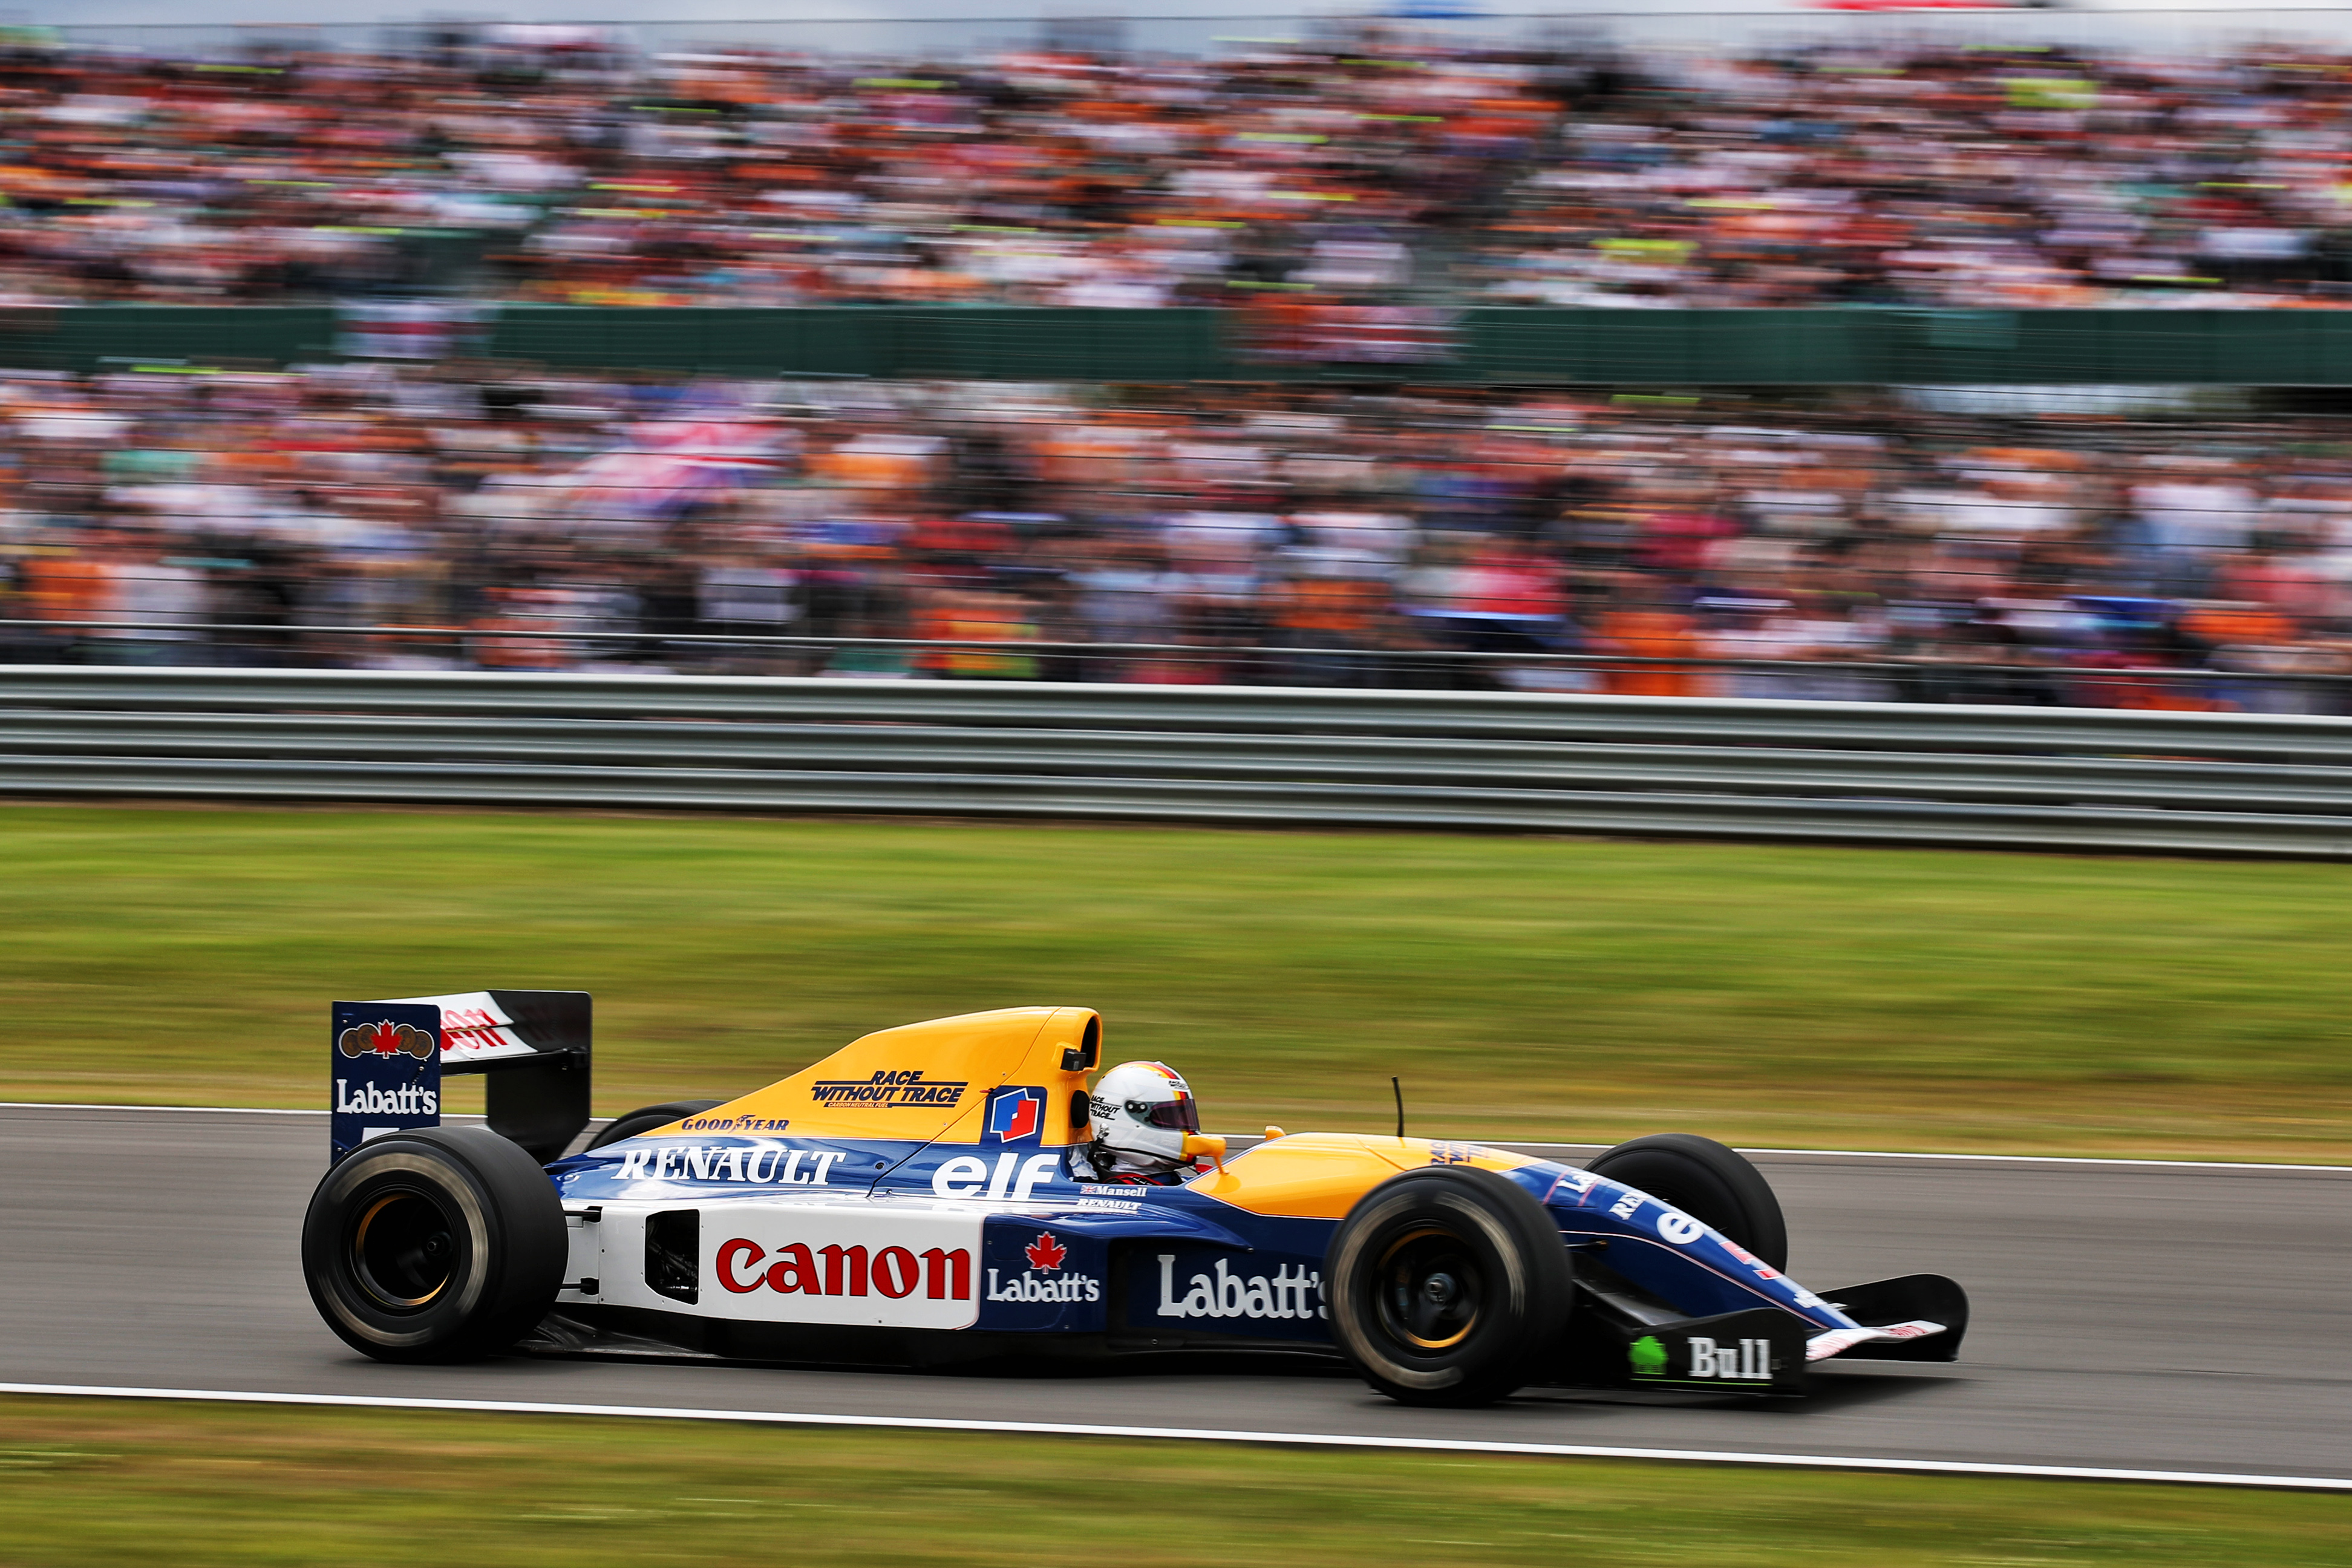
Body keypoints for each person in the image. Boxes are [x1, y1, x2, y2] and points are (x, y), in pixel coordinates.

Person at [1085, 1060, 1204, 1185]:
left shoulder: (1170, 1181)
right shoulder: (1124, 1189)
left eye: (1184, 1118)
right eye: (1168, 1118)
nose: (1183, 1127)